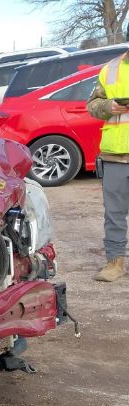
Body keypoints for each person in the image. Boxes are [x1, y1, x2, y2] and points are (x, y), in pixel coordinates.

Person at [87, 47, 129, 282]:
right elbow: (92, 104)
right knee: (114, 214)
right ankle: (115, 263)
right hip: (115, 155)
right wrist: (108, 106)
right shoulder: (110, 70)